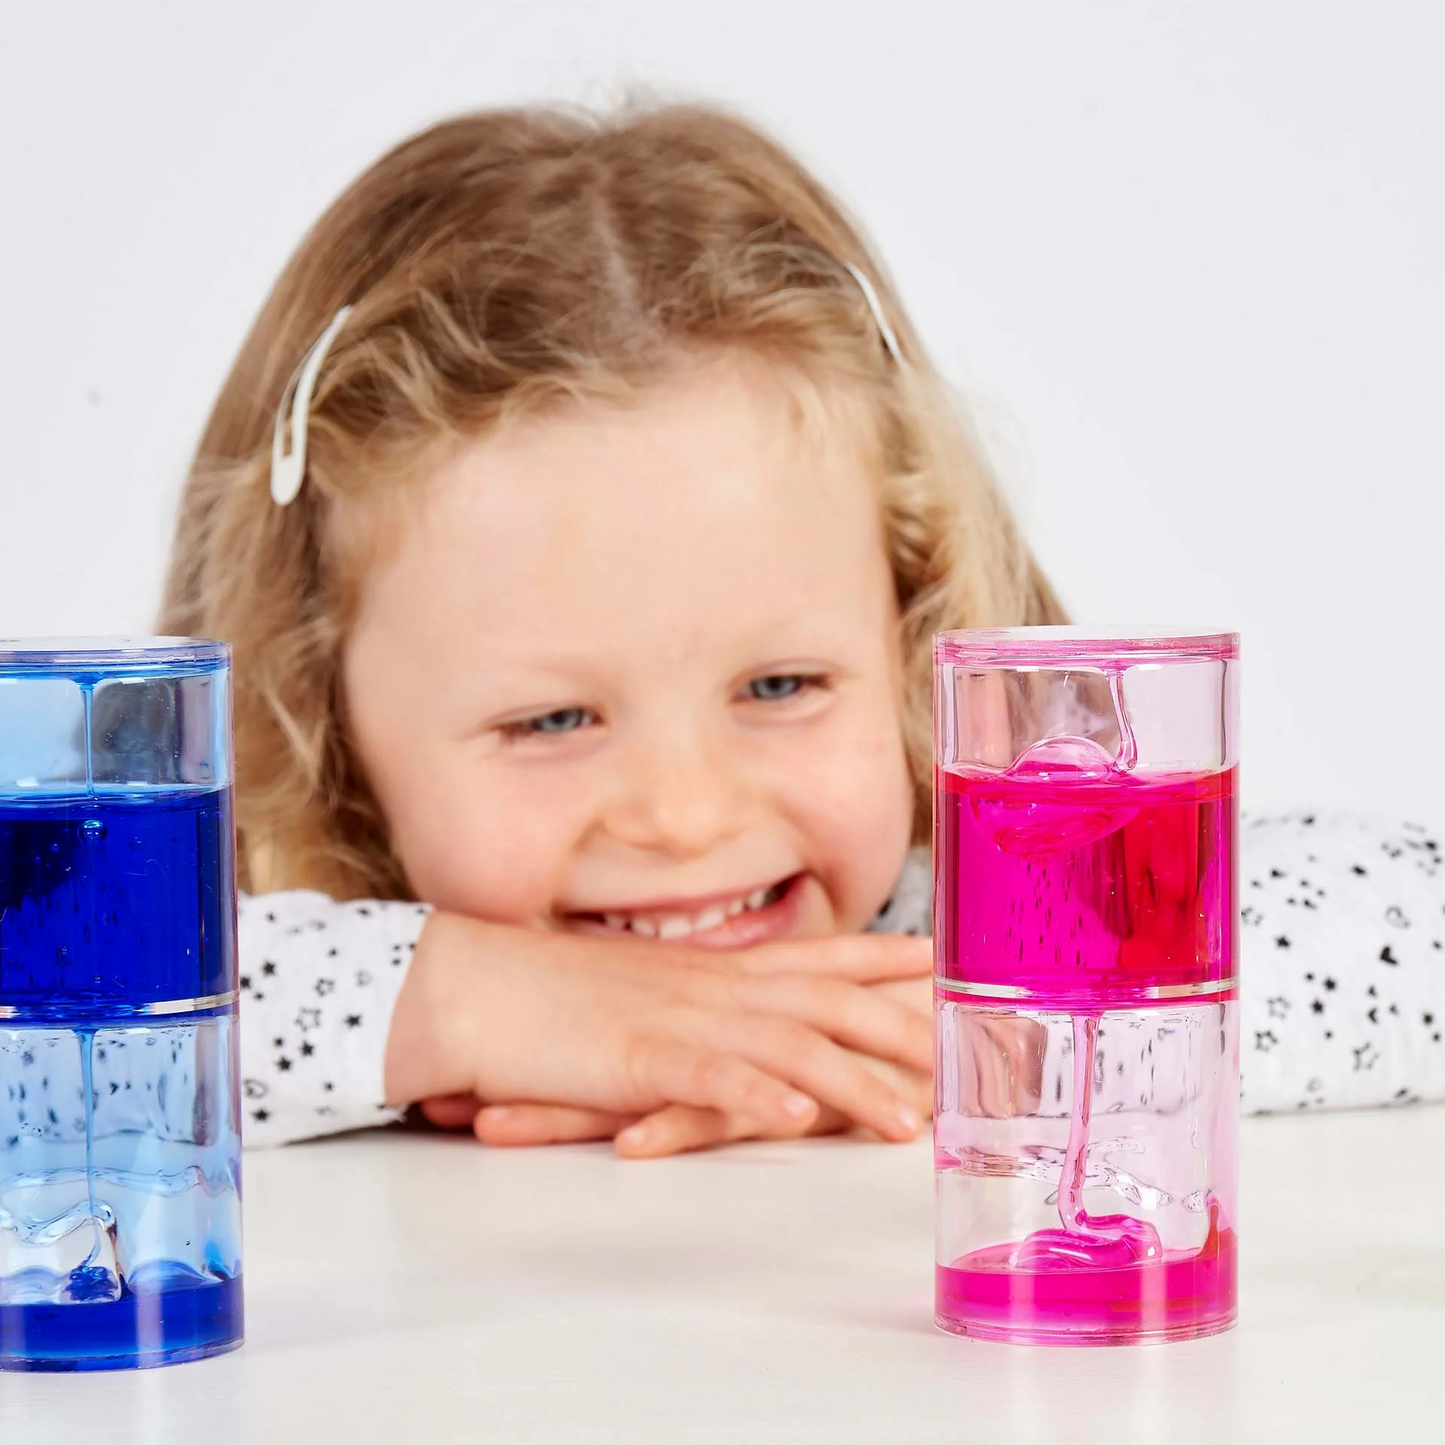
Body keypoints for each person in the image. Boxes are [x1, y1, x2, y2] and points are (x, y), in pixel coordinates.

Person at [159, 103, 1444, 1152]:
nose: (685, 813)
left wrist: (911, 1041)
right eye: (552, 717)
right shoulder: (268, 977)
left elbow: (1414, 918)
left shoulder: (957, 923)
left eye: (778, 684)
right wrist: (453, 1001)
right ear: (321, 717)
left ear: (915, 636)